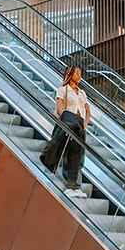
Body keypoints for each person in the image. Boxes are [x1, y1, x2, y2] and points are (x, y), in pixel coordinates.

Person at [40, 66, 90, 198]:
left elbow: (87, 110)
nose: (79, 76)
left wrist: (84, 124)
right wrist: (69, 122)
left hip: (80, 126)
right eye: (77, 73)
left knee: (79, 156)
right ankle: (70, 186)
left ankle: (76, 187)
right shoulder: (63, 90)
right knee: (69, 154)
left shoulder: (82, 93)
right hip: (69, 125)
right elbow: (59, 109)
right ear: (70, 74)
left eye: (80, 74)